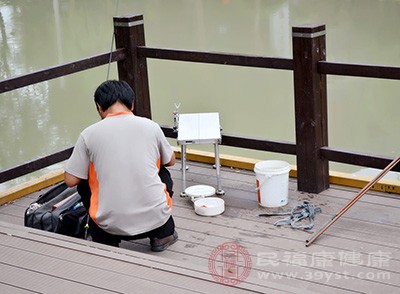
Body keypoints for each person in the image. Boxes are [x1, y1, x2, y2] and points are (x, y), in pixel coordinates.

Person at [64, 80, 178, 252]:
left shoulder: (88, 134)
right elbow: (170, 161)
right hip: (156, 221)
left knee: (84, 182)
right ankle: (163, 235)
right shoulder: (151, 126)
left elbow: (71, 180)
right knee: (162, 171)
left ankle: (105, 239)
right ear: (131, 104)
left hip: (109, 226)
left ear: (99, 107)